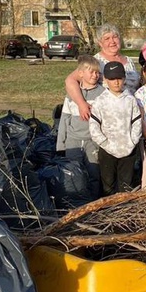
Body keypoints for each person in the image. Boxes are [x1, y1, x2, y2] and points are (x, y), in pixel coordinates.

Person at [64, 25, 140, 123]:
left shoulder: (129, 61)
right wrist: (81, 104)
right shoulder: (95, 62)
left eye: (115, 37)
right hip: (108, 117)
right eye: (107, 38)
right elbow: (70, 80)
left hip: (131, 115)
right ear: (100, 43)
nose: (112, 41)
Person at [89, 61, 143, 195]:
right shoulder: (100, 101)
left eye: (119, 78)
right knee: (108, 185)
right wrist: (105, 143)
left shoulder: (130, 99)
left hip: (128, 150)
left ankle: (124, 213)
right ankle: (109, 213)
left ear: (124, 78)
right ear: (106, 80)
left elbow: (137, 122)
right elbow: (94, 126)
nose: (116, 82)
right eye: (112, 79)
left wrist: (132, 141)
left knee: (126, 185)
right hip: (108, 151)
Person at [56, 54, 104, 197]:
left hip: (92, 142)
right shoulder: (72, 94)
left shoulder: (102, 94)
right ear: (81, 73)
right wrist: (61, 145)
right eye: (91, 72)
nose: (95, 75)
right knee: (74, 174)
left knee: (94, 173)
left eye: (97, 72)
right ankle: (76, 202)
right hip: (73, 142)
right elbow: (65, 118)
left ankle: (94, 201)